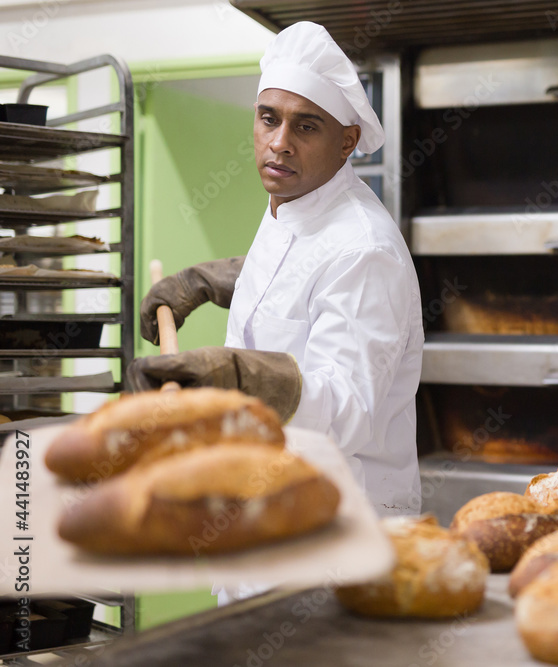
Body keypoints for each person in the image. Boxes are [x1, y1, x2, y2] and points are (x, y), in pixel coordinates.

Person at [127, 21, 423, 517]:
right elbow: (296, 273)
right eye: (268, 119)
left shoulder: (365, 251)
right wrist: (207, 280)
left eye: (306, 126)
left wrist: (240, 377)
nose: (279, 142)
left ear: (347, 141)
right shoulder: (296, 198)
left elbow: (348, 411)